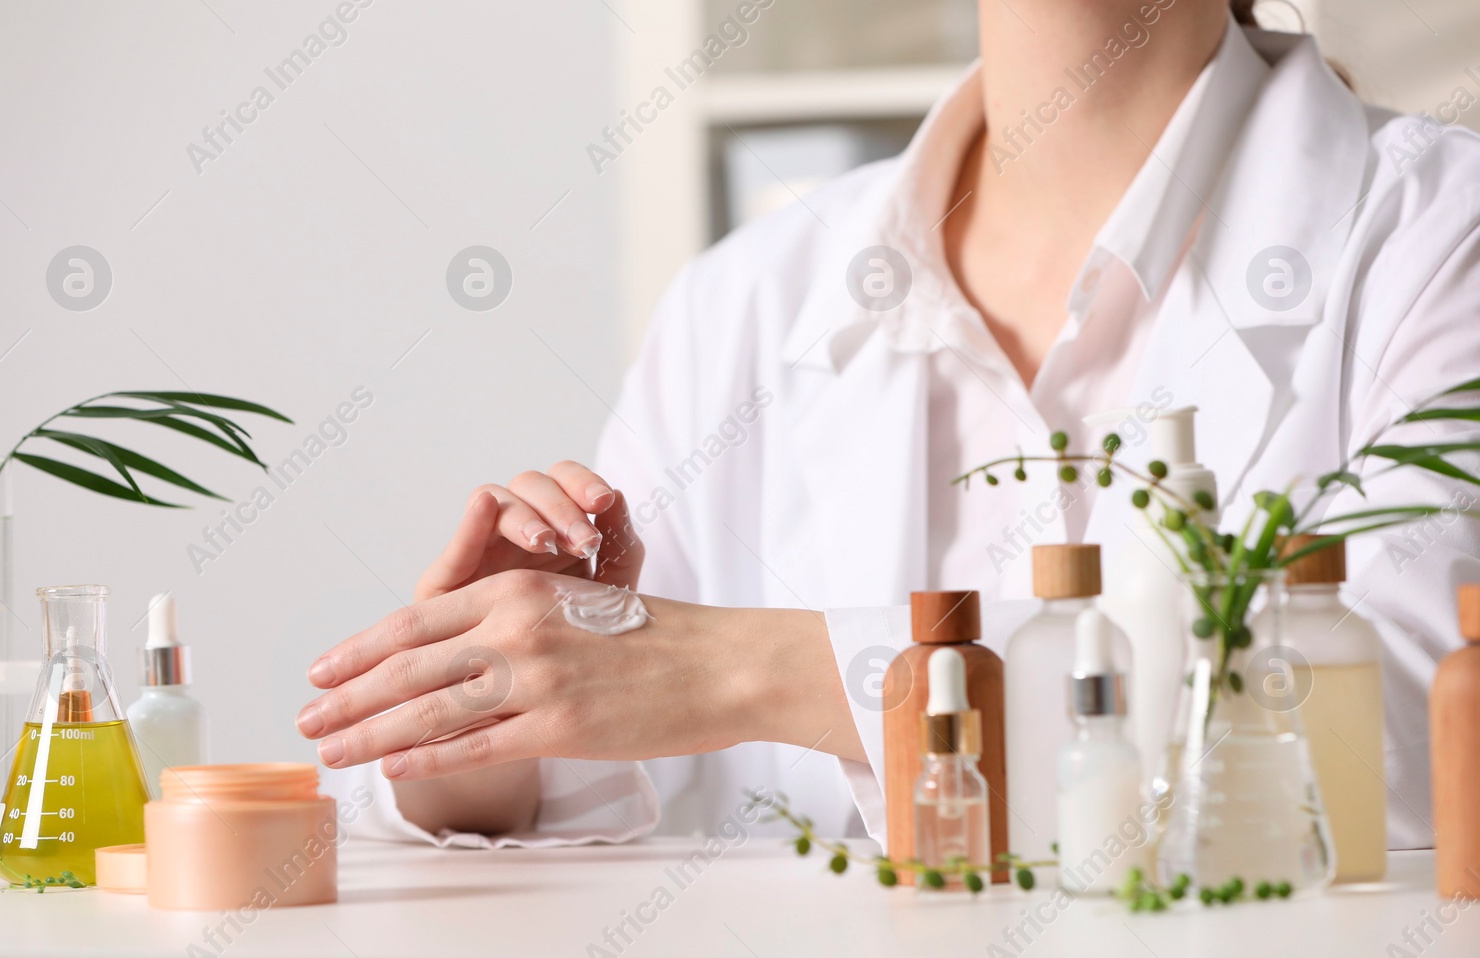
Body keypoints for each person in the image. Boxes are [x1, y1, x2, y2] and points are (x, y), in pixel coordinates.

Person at [301, 0, 1480, 850]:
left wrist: (760, 667)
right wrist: (490, 702)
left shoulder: (1440, 238)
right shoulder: (750, 297)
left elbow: (1427, 733)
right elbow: (624, 766)